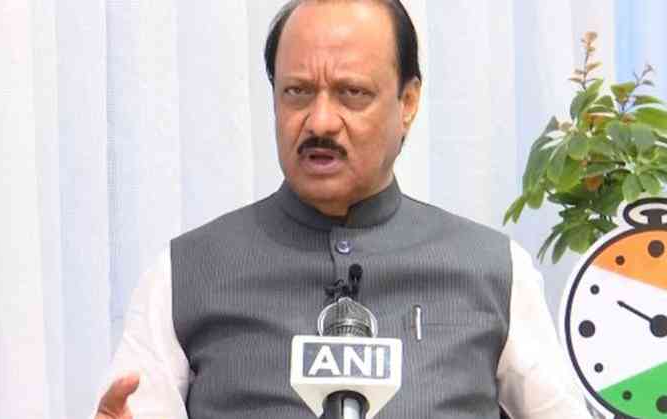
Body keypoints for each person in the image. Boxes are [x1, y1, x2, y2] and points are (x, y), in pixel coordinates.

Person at [94, 1, 593, 418]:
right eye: (297, 92)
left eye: (352, 93)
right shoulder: (185, 273)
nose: (320, 121)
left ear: (408, 102)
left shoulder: (494, 271)